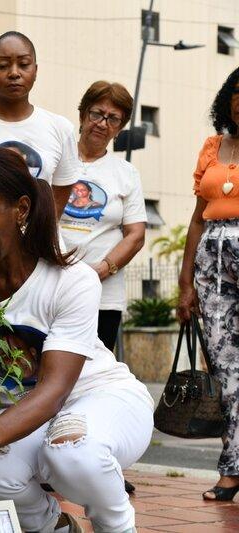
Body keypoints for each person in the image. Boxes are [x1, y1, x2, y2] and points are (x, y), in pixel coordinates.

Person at [0, 148, 153, 533]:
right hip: (25, 416)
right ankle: (56, 528)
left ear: (21, 210)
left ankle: (117, 527)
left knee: (73, 452)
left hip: (98, 399)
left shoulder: (71, 280)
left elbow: (54, 391)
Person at [178, 65, 239, 502]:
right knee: (225, 369)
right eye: (235, 91)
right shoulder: (213, 148)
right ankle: (232, 470)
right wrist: (186, 285)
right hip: (212, 266)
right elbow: (198, 220)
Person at [60, 81, 147, 351]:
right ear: (83, 114)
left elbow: (136, 235)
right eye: (97, 113)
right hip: (53, 285)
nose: (102, 123)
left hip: (102, 296)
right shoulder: (58, 160)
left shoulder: (126, 173)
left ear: (119, 128)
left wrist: (103, 268)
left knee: (94, 373)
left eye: (113, 119)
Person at [0, 31, 79, 218]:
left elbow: (57, 202)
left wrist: (38, 235)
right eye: (3, 65)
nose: (14, 73)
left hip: (36, 244)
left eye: (23, 64)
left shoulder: (60, 128)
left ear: (35, 70)